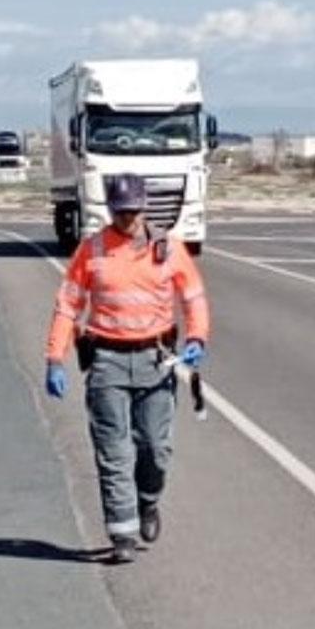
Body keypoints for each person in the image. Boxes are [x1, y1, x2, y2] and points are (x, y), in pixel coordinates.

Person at [43, 173, 210, 564]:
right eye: (120, 212)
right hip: (107, 363)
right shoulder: (93, 250)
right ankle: (123, 533)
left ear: (144, 206)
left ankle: (147, 500)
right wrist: (55, 357)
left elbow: (193, 298)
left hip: (155, 359)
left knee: (154, 447)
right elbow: (68, 306)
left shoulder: (168, 249)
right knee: (114, 451)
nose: (127, 219)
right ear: (111, 209)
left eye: (133, 211)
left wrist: (197, 337)